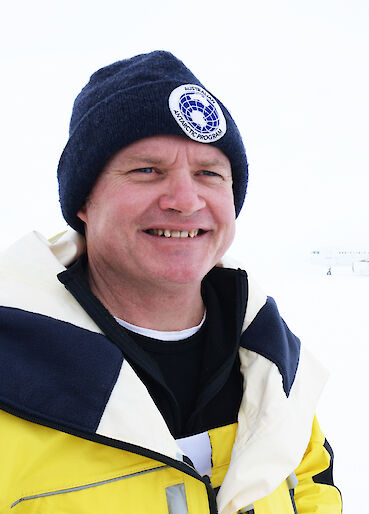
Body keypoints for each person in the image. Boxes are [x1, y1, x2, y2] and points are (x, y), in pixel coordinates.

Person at [0, 51, 342, 514]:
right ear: (84, 202)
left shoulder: (270, 366)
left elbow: (311, 483)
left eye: (209, 173)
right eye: (147, 170)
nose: (185, 200)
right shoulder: (13, 373)